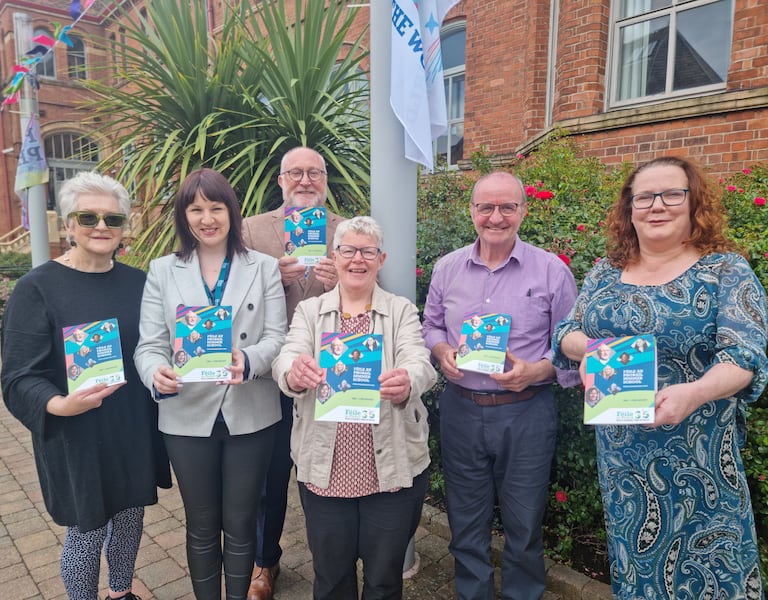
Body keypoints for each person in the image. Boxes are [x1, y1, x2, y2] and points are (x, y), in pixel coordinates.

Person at [552, 156, 768, 598]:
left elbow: (745, 356)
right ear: (629, 209)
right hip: (624, 465)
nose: (657, 206)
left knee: (714, 574)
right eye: (644, 197)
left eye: (672, 194)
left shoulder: (724, 270)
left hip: (701, 462)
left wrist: (694, 392)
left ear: (693, 203)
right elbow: (565, 334)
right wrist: (592, 350)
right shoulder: (607, 271)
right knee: (638, 575)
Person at [0, 171, 171, 600]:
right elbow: (18, 376)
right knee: (87, 529)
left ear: (123, 228)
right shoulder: (36, 288)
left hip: (132, 424)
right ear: (68, 224)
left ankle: (120, 591)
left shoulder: (139, 283)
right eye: (89, 216)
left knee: (132, 516)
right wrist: (58, 405)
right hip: (76, 432)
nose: (101, 227)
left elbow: (156, 345)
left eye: (113, 220)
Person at [422, 171, 580, 600]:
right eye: (486, 207)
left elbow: (571, 342)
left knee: (524, 522)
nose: (496, 217)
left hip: (526, 410)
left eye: (507, 207)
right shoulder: (447, 267)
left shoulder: (551, 271)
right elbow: (431, 325)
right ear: (472, 211)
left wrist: (540, 370)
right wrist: (440, 353)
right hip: (461, 408)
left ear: (523, 211)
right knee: (465, 520)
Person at [134, 168, 287, 600]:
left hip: (250, 410)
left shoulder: (263, 268)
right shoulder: (163, 270)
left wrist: (250, 359)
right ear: (184, 217)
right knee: (201, 523)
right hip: (185, 414)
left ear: (231, 213)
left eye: (216, 208)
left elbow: (279, 337)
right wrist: (155, 372)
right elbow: (149, 345)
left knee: (240, 523)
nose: (207, 218)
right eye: (195, 209)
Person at [273, 216, 437, 600]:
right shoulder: (310, 312)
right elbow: (286, 357)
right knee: (331, 581)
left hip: (391, 471)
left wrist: (408, 381)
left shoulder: (400, 311)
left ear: (381, 259)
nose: (357, 259)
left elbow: (421, 361)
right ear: (335, 256)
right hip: (325, 473)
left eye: (367, 251)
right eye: (349, 251)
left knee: (383, 581)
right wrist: (294, 373)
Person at [241, 146, 345, 600]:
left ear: (325, 179)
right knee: (270, 475)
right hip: (271, 373)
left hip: (333, 374)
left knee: (331, 472)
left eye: (314, 173)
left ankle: (336, 564)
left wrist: (340, 282)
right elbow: (232, 302)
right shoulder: (251, 229)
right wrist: (271, 281)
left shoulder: (347, 230)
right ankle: (265, 562)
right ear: (280, 180)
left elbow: (373, 292)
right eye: (295, 173)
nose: (305, 180)